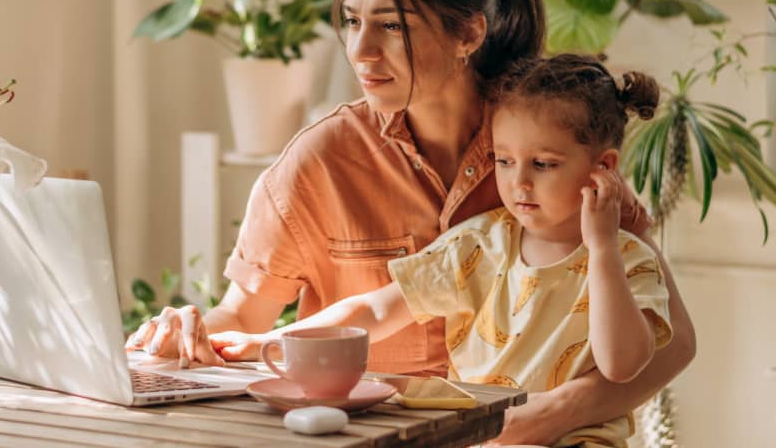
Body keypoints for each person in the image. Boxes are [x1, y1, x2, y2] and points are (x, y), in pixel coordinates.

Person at [127, 0, 696, 444]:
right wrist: (186, 335)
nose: (360, 50)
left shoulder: (549, 140)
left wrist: (550, 414)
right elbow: (246, 321)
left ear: (469, 32)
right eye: (351, 21)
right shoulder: (320, 160)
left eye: (391, 25)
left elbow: (673, 339)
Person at [208, 54, 671, 448]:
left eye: (543, 164)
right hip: (479, 436)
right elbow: (373, 310)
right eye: (504, 161)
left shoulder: (629, 259)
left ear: (603, 169)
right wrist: (271, 343)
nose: (519, 182)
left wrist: (603, 248)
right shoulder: (478, 244)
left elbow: (622, 364)